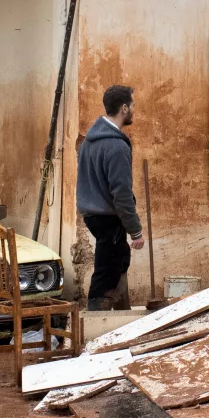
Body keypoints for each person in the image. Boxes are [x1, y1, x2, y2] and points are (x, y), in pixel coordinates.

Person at [76, 84, 145, 310]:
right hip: (108, 217)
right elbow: (121, 194)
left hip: (92, 214)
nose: (134, 109)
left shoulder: (89, 141)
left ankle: (122, 313)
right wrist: (135, 231)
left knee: (120, 259)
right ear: (124, 108)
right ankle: (97, 321)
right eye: (133, 105)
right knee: (106, 275)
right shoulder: (116, 147)